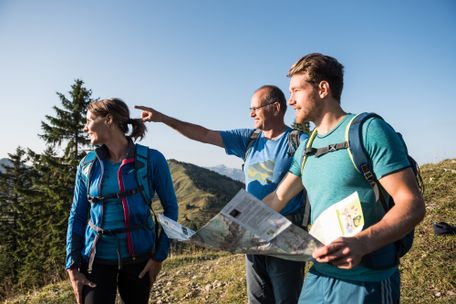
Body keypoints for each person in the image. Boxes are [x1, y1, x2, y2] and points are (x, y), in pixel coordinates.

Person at [264, 53, 425, 303]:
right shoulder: (308, 147)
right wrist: (235, 224)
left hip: (367, 280)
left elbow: (412, 204)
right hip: (318, 276)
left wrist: (362, 243)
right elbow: (279, 197)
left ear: (323, 89)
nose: (291, 101)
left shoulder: (369, 131)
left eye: (296, 91)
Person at [136, 84, 308, 304]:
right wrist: (163, 118)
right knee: (257, 299)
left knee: (287, 299)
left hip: (285, 234)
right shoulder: (250, 139)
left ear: (275, 107)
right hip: (252, 234)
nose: (251, 113)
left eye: (255, 108)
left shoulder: (299, 141)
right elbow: (204, 134)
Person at [65, 98, 178, 304]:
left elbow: (171, 208)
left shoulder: (152, 159)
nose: (85, 127)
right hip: (95, 259)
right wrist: (72, 265)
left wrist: (158, 257)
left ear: (108, 120)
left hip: (140, 259)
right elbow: (78, 214)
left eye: (89, 120)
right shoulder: (87, 165)